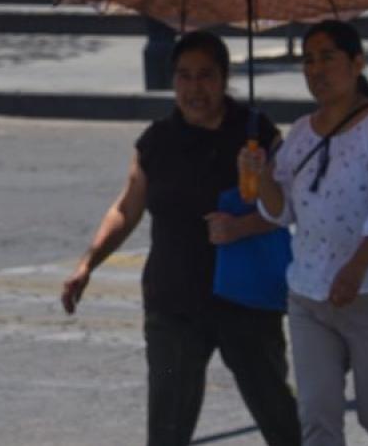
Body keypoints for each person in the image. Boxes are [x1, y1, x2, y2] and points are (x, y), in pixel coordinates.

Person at [61, 31, 301, 446]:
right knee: (168, 428)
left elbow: (288, 210)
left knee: (279, 417)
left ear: (225, 78)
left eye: (206, 75)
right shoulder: (157, 140)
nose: (195, 88)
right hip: (173, 303)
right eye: (184, 76)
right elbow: (126, 208)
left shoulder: (255, 133)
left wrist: (242, 222)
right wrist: (87, 264)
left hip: (244, 301)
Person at [242, 20, 368, 446]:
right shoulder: (303, 131)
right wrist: (261, 177)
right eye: (308, 60)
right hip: (309, 295)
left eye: (328, 57)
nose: (316, 70)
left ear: (357, 62)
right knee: (317, 420)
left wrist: (356, 268)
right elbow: (280, 212)